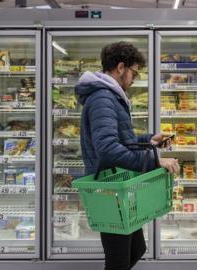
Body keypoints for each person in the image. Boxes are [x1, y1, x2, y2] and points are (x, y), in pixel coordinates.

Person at [75, 41, 180, 270]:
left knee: (136, 249)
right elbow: (109, 149)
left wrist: (147, 140)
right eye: (134, 72)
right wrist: (155, 160)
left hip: (118, 184)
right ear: (121, 68)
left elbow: (118, 140)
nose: (134, 78)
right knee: (118, 261)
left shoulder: (110, 96)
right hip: (108, 187)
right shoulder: (103, 97)